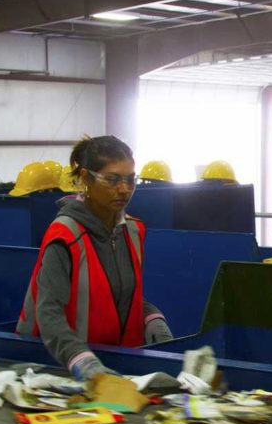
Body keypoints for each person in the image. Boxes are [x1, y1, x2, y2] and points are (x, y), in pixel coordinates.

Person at [17, 135, 173, 380]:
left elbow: (115, 294)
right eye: (112, 180)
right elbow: (48, 312)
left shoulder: (132, 231)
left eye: (130, 180)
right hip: (61, 370)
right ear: (85, 179)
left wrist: (151, 316)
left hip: (118, 366)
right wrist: (81, 361)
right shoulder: (65, 235)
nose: (124, 189)